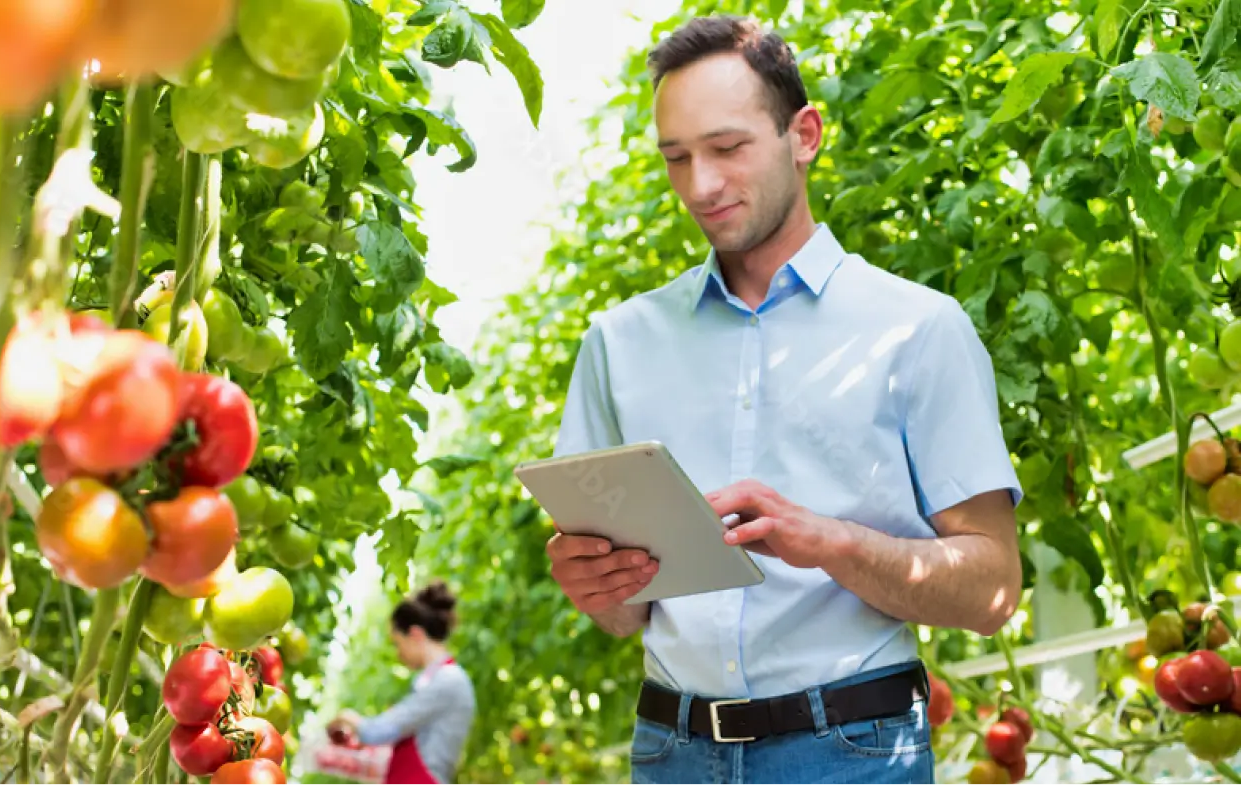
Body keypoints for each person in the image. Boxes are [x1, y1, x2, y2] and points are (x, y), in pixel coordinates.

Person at [544, 14, 1024, 785]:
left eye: (728, 149)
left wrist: (829, 541)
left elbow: (994, 587)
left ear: (804, 135)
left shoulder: (918, 328)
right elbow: (622, 613)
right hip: (670, 750)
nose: (700, 186)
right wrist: (597, 587)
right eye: (677, 158)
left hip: (851, 751)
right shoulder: (617, 342)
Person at [328, 581, 475, 785]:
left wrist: (348, 717)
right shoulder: (437, 680)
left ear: (415, 634)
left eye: (398, 643)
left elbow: (377, 731)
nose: (399, 654)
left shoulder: (448, 680)